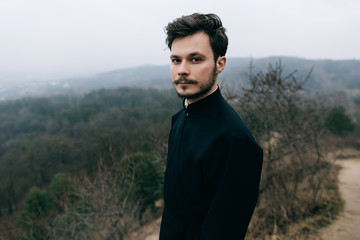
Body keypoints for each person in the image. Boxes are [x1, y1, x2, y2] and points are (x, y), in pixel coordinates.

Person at [159, 13, 263, 240]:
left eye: (195, 59)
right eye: (176, 60)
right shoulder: (179, 119)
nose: (182, 70)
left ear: (220, 64)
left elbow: (225, 231)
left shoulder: (235, 140)